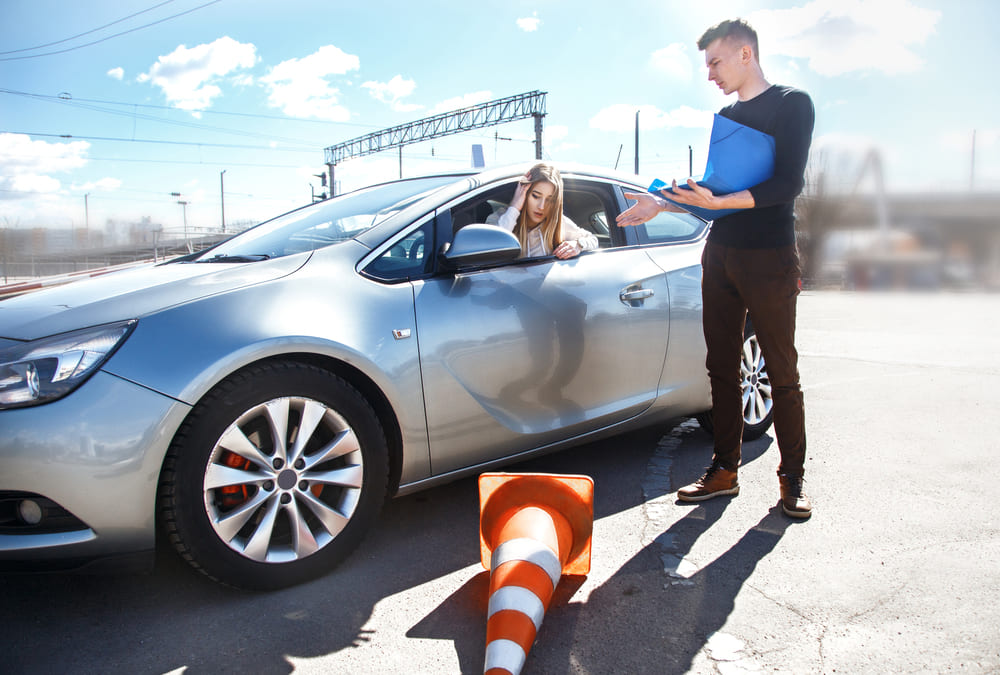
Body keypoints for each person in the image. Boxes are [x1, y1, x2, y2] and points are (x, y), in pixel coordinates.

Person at [616, 18, 815, 518]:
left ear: (745, 54)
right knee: (720, 368)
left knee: (781, 369)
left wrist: (723, 201)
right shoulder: (726, 114)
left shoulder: (793, 103)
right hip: (720, 253)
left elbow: (787, 184)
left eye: (715, 62)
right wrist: (663, 203)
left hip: (769, 255)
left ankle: (792, 478)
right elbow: (712, 193)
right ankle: (724, 470)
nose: (709, 74)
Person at [490, 162, 598, 258]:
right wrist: (514, 206)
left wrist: (578, 245)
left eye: (550, 200)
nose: (541, 207)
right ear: (525, 194)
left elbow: (593, 240)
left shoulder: (559, 223)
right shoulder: (500, 219)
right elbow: (492, 247)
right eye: (536, 196)